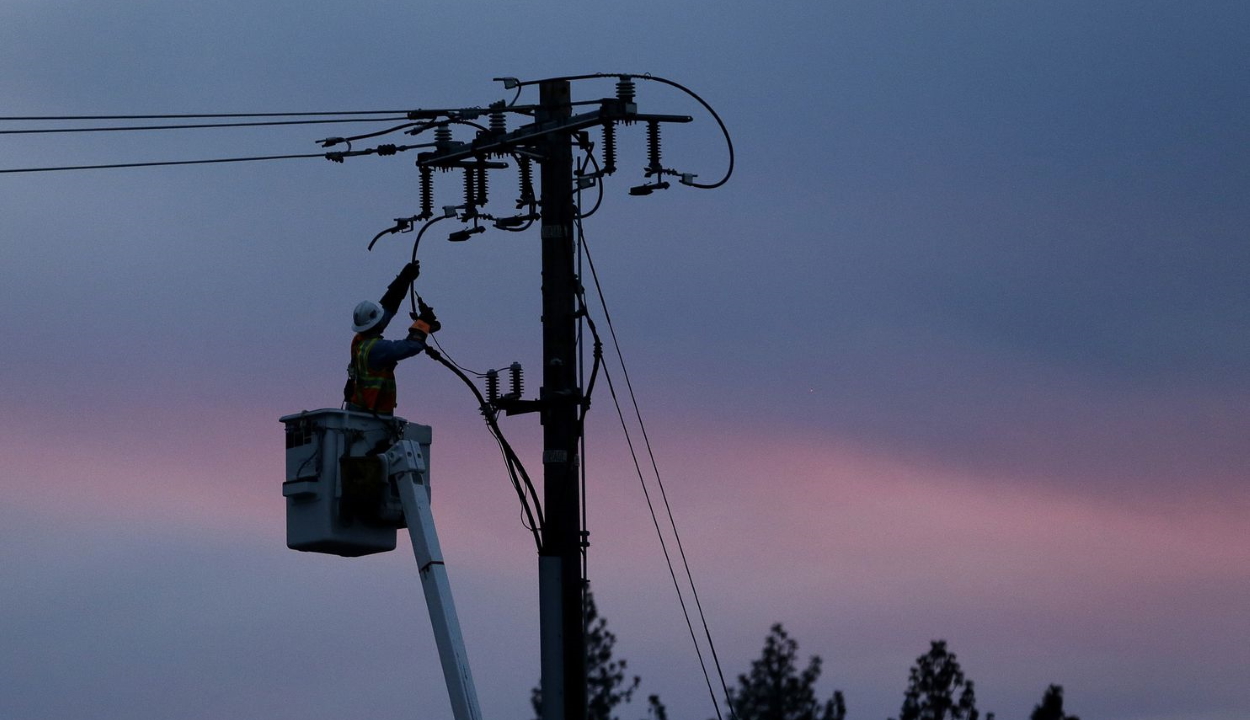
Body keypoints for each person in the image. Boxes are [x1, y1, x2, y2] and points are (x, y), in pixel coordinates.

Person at [345, 261, 441, 415]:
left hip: (360, 410)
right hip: (373, 416)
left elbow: (388, 308)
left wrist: (403, 280)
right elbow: (412, 346)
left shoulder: (360, 341)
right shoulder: (376, 349)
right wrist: (423, 323)